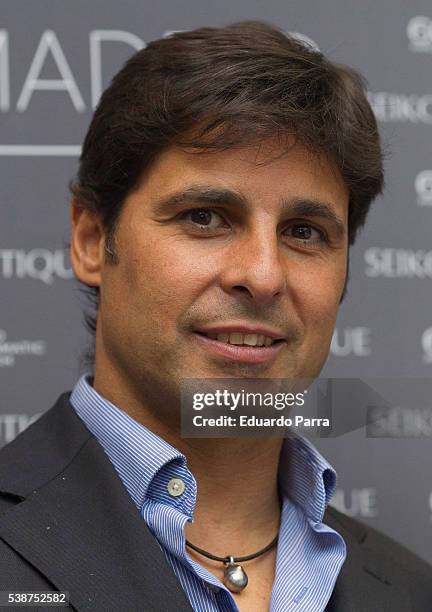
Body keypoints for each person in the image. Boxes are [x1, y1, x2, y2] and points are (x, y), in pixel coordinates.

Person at [0, 20, 430, 612]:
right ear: (93, 237)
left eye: (304, 232)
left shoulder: (411, 588)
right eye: (205, 217)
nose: (262, 275)